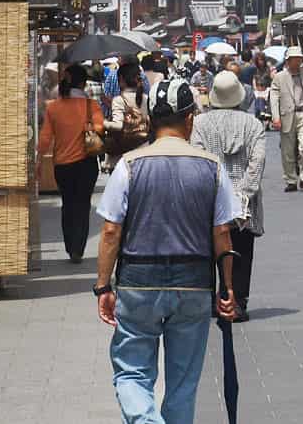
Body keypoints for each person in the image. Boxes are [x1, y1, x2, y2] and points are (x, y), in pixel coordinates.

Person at [95, 78, 240, 423]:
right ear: (189, 119)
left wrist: (103, 285)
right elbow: (222, 234)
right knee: (183, 383)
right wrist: (228, 288)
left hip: (138, 282)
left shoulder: (128, 166)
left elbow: (111, 230)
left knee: (132, 373)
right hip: (193, 285)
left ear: (152, 121)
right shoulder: (212, 167)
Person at [191, 71, 267, 321]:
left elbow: (199, 160)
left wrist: (218, 192)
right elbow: (257, 162)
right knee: (243, 252)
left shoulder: (200, 124)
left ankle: (215, 299)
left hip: (211, 201)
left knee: (211, 252)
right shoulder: (254, 125)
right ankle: (238, 302)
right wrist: (243, 194)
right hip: (246, 204)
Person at [39, 62, 106, 264]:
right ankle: (78, 247)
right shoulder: (90, 106)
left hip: (62, 165)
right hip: (87, 164)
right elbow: (100, 129)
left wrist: (38, 160)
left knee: (68, 204)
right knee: (83, 205)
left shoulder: (53, 108)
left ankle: (70, 247)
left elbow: (45, 137)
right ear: (84, 83)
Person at [269, 47, 303, 192]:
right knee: (287, 151)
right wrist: (276, 117)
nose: (297, 61)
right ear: (288, 61)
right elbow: (274, 97)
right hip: (286, 116)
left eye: (299, 59)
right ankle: (291, 180)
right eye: (294, 59)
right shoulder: (279, 77)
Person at [104, 60, 151, 170]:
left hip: (122, 155)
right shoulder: (146, 99)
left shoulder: (119, 100)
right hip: (142, 152)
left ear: (121, 80)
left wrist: (103, 122)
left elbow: (119, 126)